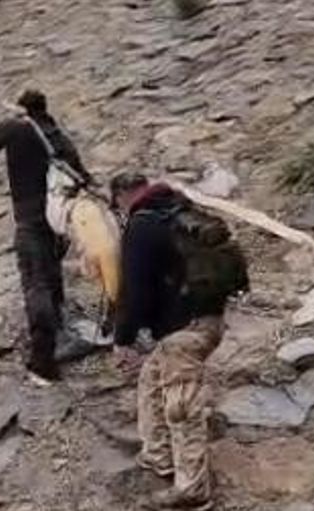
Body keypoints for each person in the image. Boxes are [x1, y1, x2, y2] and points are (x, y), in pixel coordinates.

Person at [110, 172, 248, 510]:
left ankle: (192, 489)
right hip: (209, 318)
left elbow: (135, 292)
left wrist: (123, 339)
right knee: (151, 380)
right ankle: (158, 455)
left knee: (181, 407)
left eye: (117, 206)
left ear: (122, 197)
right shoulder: (181, 210)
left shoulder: (141, 226)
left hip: (184, 331)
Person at [0, 89, 94, 381]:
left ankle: (43, 357)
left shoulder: (16, 128)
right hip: (58, 217)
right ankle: (60, 325)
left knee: (35, 281)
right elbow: (83, 176)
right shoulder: (57, 136)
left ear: (22, 108)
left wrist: (11, 121)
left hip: (30, 219)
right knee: (52, 272)